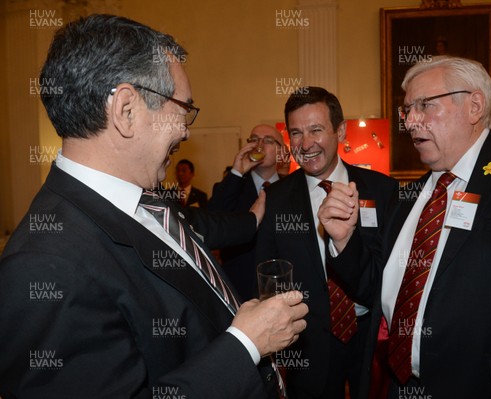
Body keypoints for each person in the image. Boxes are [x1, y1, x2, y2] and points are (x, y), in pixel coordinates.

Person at [0, 14, 308, 398]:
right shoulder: (44, 264)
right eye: (183, 108)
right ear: (127, 110)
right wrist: (245, 344)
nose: (186, 129)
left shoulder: (147, 199)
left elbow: (204, 234)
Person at [318, 56, 491, 398]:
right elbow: (377, 288)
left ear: (474, 106)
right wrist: (344, 239)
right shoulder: (404, 198)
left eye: (424, 105)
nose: (411, 122)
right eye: (407, 110)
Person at [255, 87, 398, 399]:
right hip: (308, 342)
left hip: (372, 336)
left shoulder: (383, 191)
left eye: (316, 130)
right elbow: (265, 273)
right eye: (296, 133)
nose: (306, 144)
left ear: (341, 130)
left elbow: (393, 269)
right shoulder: (275, 199)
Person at [208, 124, 287, 300]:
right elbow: (212, 221)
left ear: (281, 152)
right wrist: (237, 171)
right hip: (238, 288)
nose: (259, 144)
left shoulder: (294, 189)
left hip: (284, 290)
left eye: (268, 140)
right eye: (254, 139)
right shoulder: (233, 186)